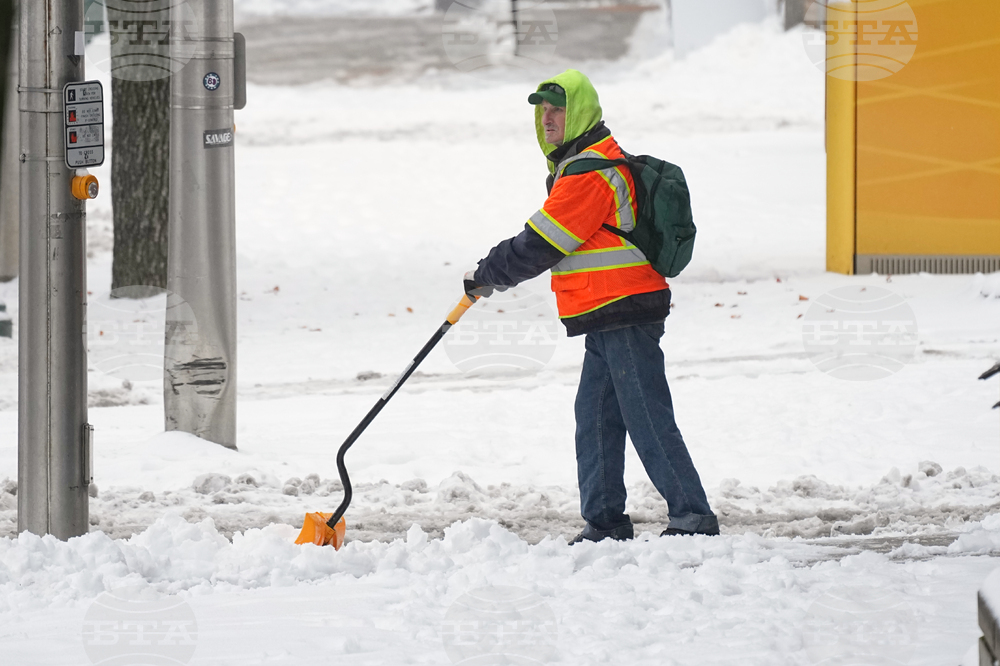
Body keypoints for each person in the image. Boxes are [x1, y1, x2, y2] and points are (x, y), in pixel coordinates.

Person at [464, 69, 719, 543]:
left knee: (646, 415)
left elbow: (542, 243)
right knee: (596, 418)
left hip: (626, 307)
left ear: (579, 112)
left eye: (557, 109)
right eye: (543, 111)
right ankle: (604, 522)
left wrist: (489, 272)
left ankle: (693, 517)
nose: (548, 119)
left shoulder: (591, 172)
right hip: (605, 312)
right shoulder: (581, 165)